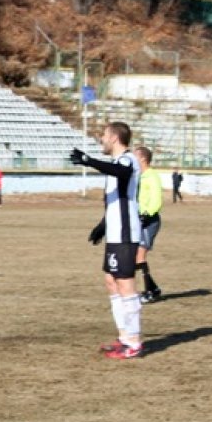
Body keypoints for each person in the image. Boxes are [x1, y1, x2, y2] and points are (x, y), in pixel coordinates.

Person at [70, 122, 143, 359]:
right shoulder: (114, 165)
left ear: (113, 137)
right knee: (111, 282)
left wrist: (89, 161)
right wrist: (102, 226)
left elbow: (122, 173)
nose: (101, 139)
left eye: (103, 135)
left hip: (125, 233)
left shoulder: (128, 160)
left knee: (125, 284)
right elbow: (115, 200)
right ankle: (124, 337)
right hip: (115, 233)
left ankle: (134, 341)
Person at [134, 147, 163, 304]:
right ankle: (153, 289)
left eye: (135, 156)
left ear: (143, 159)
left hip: (149, 220)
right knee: (136, 257)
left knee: (139, 256)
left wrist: (147, 214)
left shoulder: (152, 176)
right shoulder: (140, 176)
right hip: (139, 220)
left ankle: (149, 291)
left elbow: (156, 199)